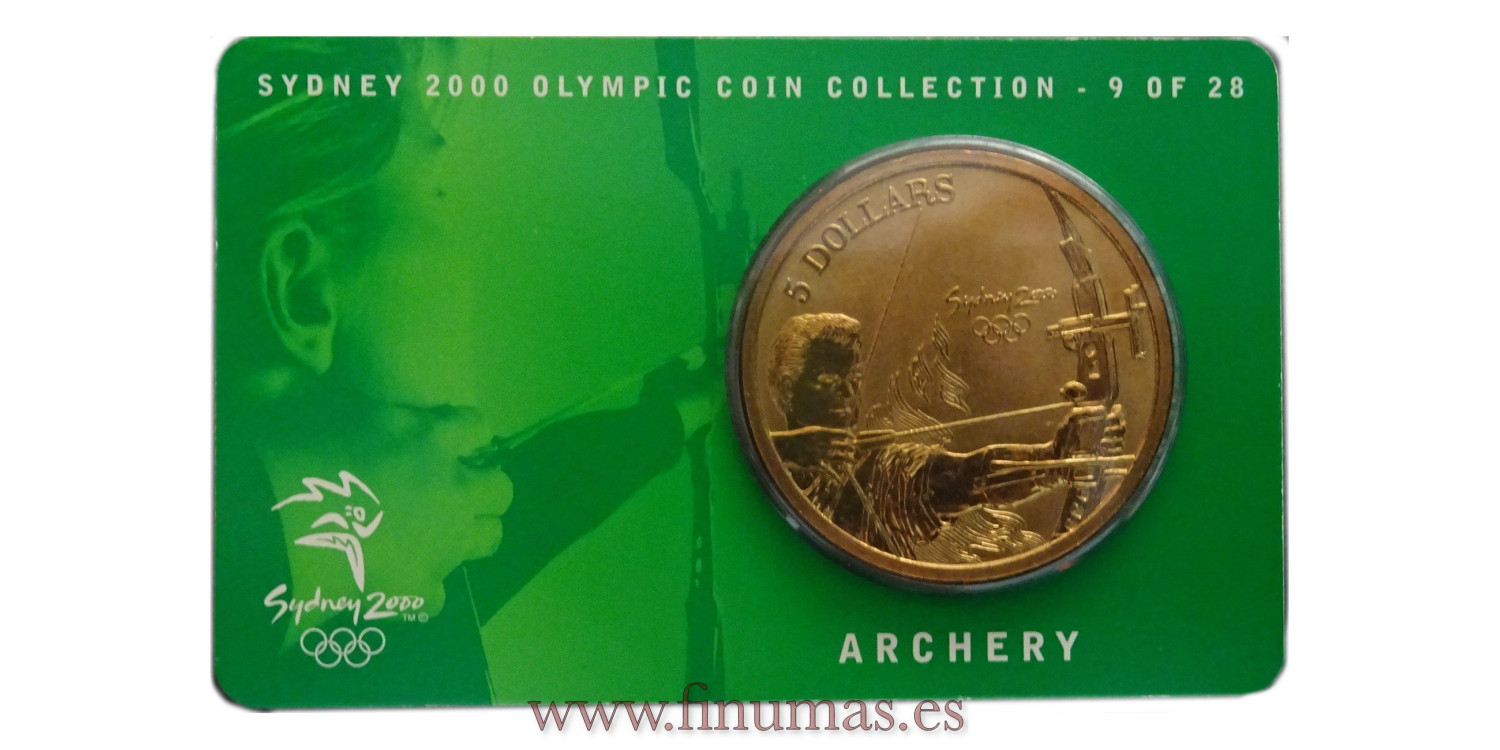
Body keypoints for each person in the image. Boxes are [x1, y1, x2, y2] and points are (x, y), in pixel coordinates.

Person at [214, 38, 694, 707]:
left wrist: (683, 412)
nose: (467, 249)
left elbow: (548, 493)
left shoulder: (405, 566)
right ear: (305, 292)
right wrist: (325, 537)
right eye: (437, 190)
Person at [767, 312, 1119, 561]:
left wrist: (1053, 460)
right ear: (787, 389)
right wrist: (786, 449)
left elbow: (967, 476)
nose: (848, 394)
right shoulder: (763, 464)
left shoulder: (881, 468)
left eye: (854, 381)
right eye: (829, 383)